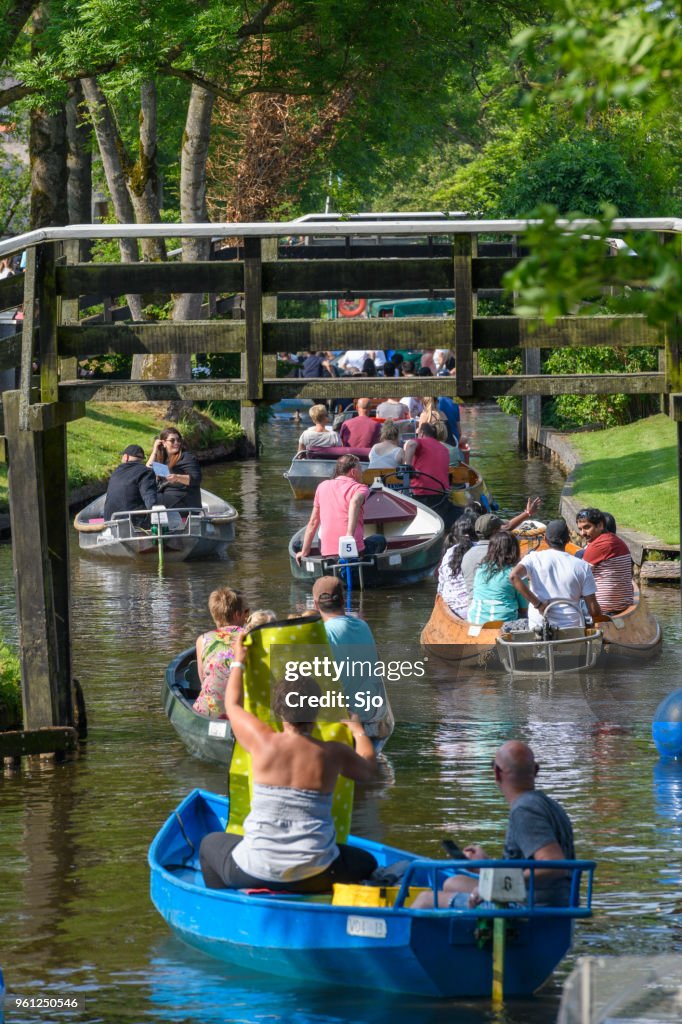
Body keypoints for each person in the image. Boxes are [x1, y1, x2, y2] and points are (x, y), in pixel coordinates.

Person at [199, 635, 378, 892]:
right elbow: (368, 770)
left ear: (278, 710)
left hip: (252, 871)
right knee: (368, 862)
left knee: (208, 845)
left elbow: (232, 704)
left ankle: (228, 906)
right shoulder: (333, 754)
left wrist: (239, 662)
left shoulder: (261, 742)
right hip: (317, 874)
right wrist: (358, 731)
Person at [412, 741, 576, 909]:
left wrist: (492, 887)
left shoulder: (524, 810)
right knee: (452, 883)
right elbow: (529, 865)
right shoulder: (549, 805)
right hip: (547, 898)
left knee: (425, 899)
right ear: (536, 770)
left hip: (531, 906)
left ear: (497, 773)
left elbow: (555, 865)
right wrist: (487, 865)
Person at [312, 575, 388, 733]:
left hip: (344, 721)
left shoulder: (321, 634)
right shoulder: (363, 625)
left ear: (315, 604)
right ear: (342, 600)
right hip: (370, 714)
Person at [510, 518, 602, 629]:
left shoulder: (533, 558)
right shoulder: (582, 566)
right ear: (568, 540)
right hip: (572, 629)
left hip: (539, 627)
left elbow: (514, 576)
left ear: (545, 539)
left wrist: (538, 605)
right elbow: (593, 609)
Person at [295, 454, 386, 565]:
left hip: (328, 553)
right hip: (354, 551)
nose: (362, 473)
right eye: (360, 469)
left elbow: (313, 522)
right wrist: (349, 537)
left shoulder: (322, 486)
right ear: (353, 472)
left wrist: (304, 552)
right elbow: (355, 501)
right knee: (380, 540)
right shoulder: (360, 488)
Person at [460, 500, 543, 597]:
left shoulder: (466, 553)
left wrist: (527, 513)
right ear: (496, 532)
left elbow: (508, 526)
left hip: (474, 607)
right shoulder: (501, 552)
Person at [193, 588, 248, 718]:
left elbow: (203, 679)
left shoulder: (202, 640)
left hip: (207, 710)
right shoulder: (249, 636)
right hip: (241, 712)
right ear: (237, 615)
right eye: (246, 613)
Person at [576, 508, 634, 613]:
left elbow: (577, 578)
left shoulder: (599, 545)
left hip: (602, 607)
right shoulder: (615, 540)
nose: (582, 533)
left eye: (587, 527)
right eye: (580, 529)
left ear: (600, 525)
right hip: (624, 604)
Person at [468, 531, 528, 625]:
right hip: (503, 623)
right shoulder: (516, 573)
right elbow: (524, 608)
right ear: (514, 550)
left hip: (474, 620)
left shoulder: (481, 569)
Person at [147, 428, 202, 510]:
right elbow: (147, 471)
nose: (176, 443)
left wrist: (177, 477)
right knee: (145, 496)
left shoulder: (187, 457)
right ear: (164, 443)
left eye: (178, 440)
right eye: (172, 440)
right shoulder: (163, 459)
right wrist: (155, 450)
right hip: (168, 496)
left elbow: (196, 479)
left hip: (184, 500)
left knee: (149, 499)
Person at [103, 444, 158, 522]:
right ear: (142, 459)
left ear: (126, 457)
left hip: (109, 521)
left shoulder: (116, 471)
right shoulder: (146, 472)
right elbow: (150, 498)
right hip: (133, 523)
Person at [436, 517, 478, 618]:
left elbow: (441, 587)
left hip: (451, 607)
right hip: (474, 609)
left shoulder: (448, 553)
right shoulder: (479, 550)